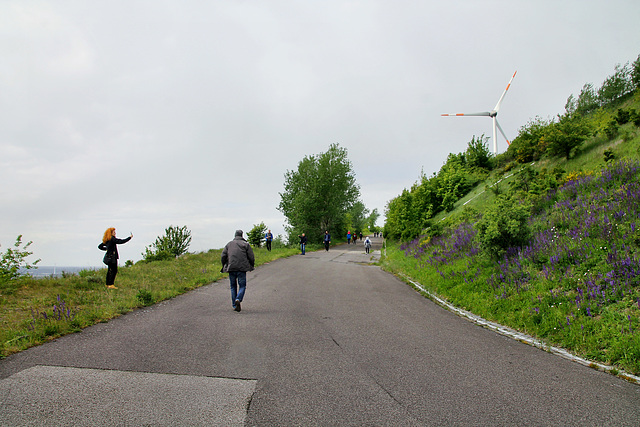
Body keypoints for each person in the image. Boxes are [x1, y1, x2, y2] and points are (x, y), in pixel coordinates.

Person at [221, 230, 255, 312]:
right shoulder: (245, 244)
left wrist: (224, 265)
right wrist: (251, 265)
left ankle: (234, 305)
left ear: (235, 235)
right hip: (242, 268)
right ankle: (238, 299)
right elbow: (251, 256)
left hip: (231, 267)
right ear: (242, 235)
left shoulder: (229, 244)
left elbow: (223, 255)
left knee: (233, 286)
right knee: (242, 286)